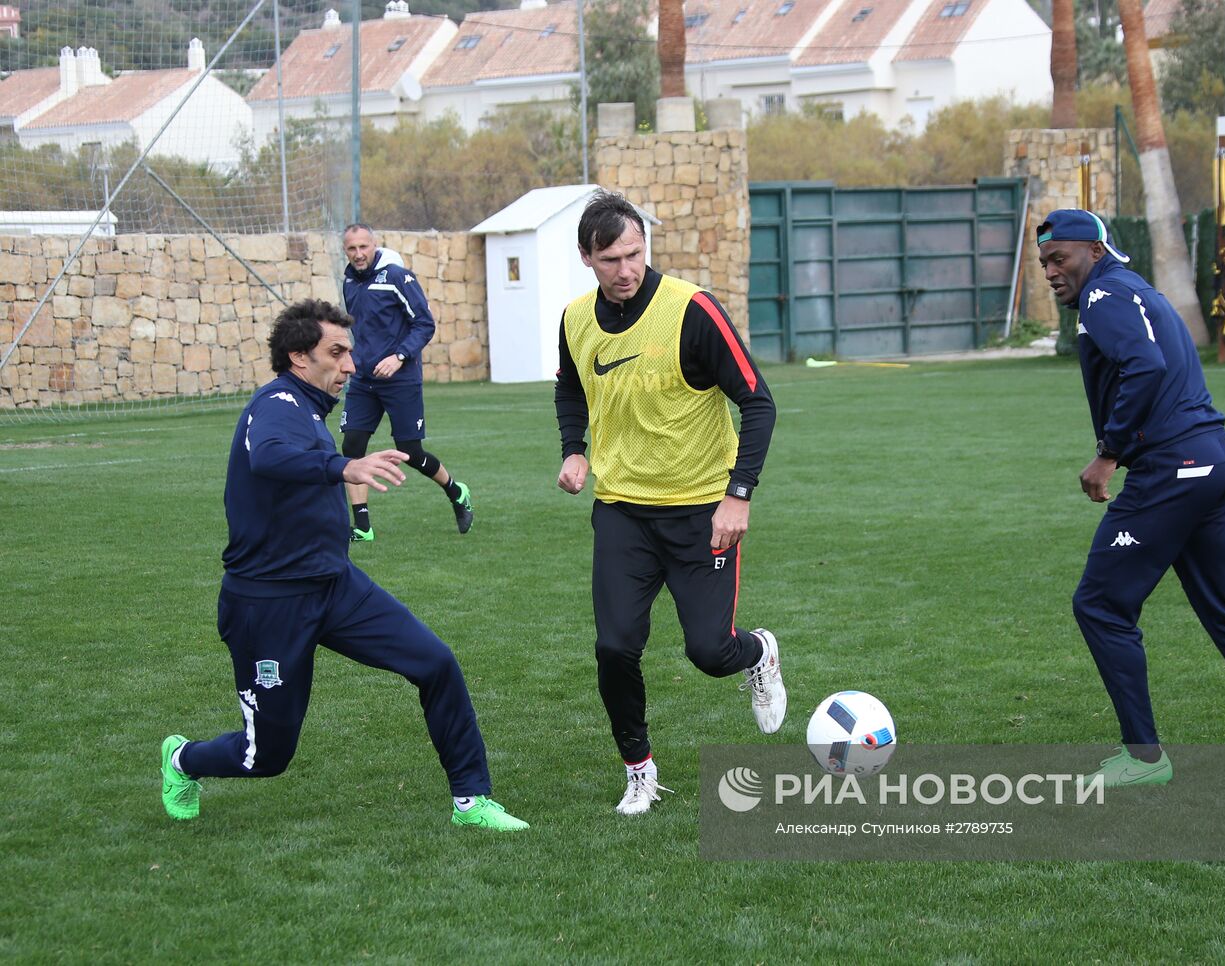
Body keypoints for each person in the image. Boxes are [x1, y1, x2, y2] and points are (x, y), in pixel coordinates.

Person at [160, 298, 527, 831]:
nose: (350, 366)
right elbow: (268, 456)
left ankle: (471, 800)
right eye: (337, 353)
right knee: (266, 757)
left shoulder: (309, 408)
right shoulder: (277, 403)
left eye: (350, 353)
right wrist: (345, 465)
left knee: (435, 663)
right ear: (298, 357)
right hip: (269, 603)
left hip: (334, 586)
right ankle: (182, 759)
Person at [1036, 208, 1225, 787]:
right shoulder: (1132, 290)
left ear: (1095, 251)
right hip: (1215, 457)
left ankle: (1145, 759)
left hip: (1174, 469)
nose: (1050, 271)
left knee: (1099, 604)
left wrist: (1108, 452)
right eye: (1045, 261)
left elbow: (1144, 366)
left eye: (1060, 257)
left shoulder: (1104, 298)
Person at [554, 189, 786, 815]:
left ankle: (758, 652)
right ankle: (639, 769)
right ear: (586, 258)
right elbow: (570, 390)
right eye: (610, 260)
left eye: (634, 253)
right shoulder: (576, 319)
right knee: (614, 647)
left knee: (710, 654)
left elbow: (758, 402)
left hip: (702, 510)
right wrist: (574, 449)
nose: (625, 269)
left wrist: (738, 496)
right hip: (623, 511)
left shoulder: (693, 310)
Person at [340, 223, 472, 542]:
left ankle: (456, 491)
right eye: (352, 249)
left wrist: (398, 357)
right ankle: (362, 526)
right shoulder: (348, 281)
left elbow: (424, 324)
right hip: (363, 381)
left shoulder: (397, 276)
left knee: (409, 451)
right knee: (351, 447)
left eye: (363, 247)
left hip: (400, 379)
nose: (358, 254)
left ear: (375, 245)